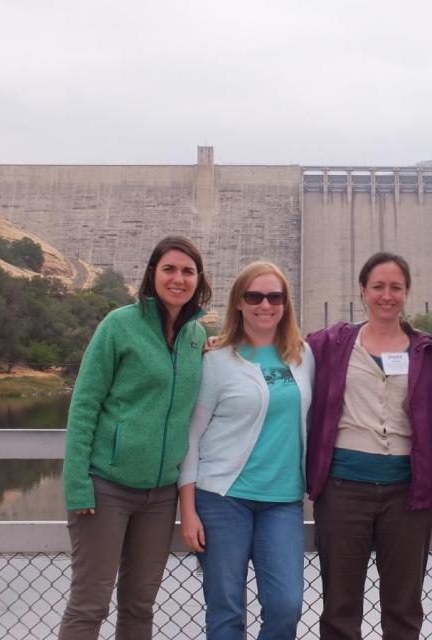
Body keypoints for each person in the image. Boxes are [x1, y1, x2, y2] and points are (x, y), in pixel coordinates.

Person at [59, 236, 211, 640]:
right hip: (106, 488)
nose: (178, 279)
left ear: (199, 280)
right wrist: (78, 487)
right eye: (169, 269)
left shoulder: (197, 338)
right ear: (152, 274)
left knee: (140, 605)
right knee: (90, 604)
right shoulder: (119, 325)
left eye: (187, 271)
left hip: (160, 496)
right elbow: (85, 405)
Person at [306, 252, 432, 640]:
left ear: (407, 293)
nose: (386, 296)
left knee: (404, 610)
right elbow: (277, 348)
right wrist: (223, 343)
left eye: (396, 288)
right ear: (362, 291)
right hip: (342, 492)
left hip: (407, 495)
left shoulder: (426, 352)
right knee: (340, 609)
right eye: (378, 287)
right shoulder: (332, 343)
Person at [178, 261, 314, 640]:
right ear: (239, 302)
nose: (264, 305)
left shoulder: (302, 357)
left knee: (286, 605)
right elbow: (191, 438)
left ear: (286, 303)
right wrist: (187, 510)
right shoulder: (216, 360)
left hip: (283, 501)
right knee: (226, 609)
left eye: (275, 296)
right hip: (222, 500)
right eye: (254, 296)